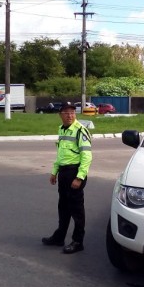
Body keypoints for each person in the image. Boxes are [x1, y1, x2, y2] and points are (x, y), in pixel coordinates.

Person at [41, 102, 92, 254]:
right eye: (66, 113)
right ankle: (59, 237)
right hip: (64, 172)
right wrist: (54, 171)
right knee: (63, 207)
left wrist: (80, 177)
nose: (70, 115)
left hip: (74, 173)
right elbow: (61, 154)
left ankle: (78, 241)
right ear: (60, 115)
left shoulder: (80, 131)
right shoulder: (62, 129)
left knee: (77, 209)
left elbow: (87, 156)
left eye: (72, 113)